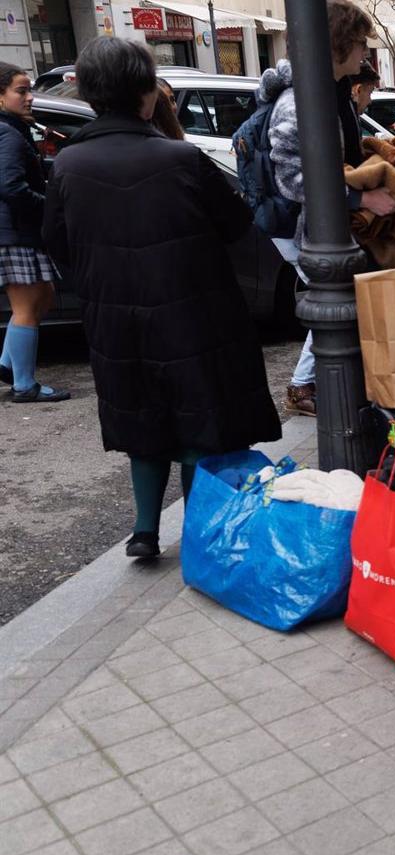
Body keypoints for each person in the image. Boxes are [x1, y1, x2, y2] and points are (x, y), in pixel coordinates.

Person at [44, 37, 281, 557]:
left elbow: (57, 242)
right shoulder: (181, 158)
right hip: (193, 311)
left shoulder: (68, 164)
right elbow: (237, 225)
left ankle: (145, 530)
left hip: (114, 315)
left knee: (142, 419)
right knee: (200, 421)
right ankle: (197, 534)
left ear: (88, 93)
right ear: (147, 92)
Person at [262, 0, 395, 417]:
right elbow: (292, 178)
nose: (365, 53)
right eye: (359, 43)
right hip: (321, 237)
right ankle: (308, 388)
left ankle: (328, 392)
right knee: (338, 317)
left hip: (337, 232)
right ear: (337, 44)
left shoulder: (334, 92)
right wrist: (360, 198)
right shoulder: (300, 102)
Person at [0, 63, 67, 402]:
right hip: (14, 232)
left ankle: (8, 365)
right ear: (0, 96)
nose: (29, 97)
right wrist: (48, 206)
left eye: (29, 90)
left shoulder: (13, 129)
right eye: (20, 91)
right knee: (27, 305)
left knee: (43, 296)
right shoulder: (7, 133)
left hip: (17, 231)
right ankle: (24, 384)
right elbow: (11, 187)